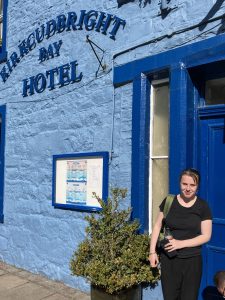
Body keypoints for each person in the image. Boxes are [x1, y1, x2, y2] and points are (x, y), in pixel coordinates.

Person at [149, 168, 212, 300]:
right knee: (170, 297)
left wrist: (180, 243)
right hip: (169, 260)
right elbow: (157, 226)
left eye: (192, 185)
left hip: (192, 262)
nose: (188, 188)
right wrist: (152, 252)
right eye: (185, 184)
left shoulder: (203, 206)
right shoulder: (169, 201)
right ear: (180, 183)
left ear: (197, 186)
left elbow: (206, 236)